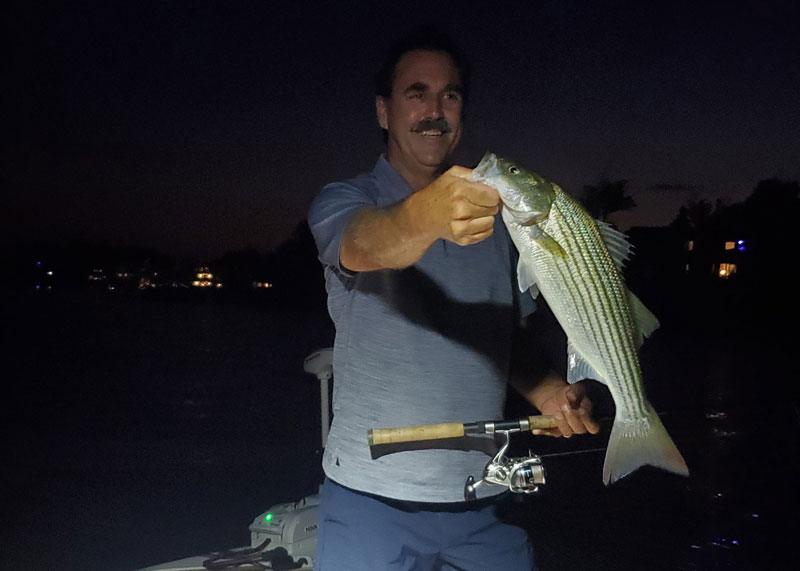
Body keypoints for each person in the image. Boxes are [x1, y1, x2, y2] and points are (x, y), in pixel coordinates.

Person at [307, 27, 599, 571]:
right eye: (415, 93)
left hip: (485, 500)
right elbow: (364, 245)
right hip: (369, 499)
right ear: (383, 111)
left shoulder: (504, 226)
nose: (434, 110)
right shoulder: (347, 200)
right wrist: (427, 214)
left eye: (451, 95)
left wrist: (551, 392)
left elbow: (506, 336)